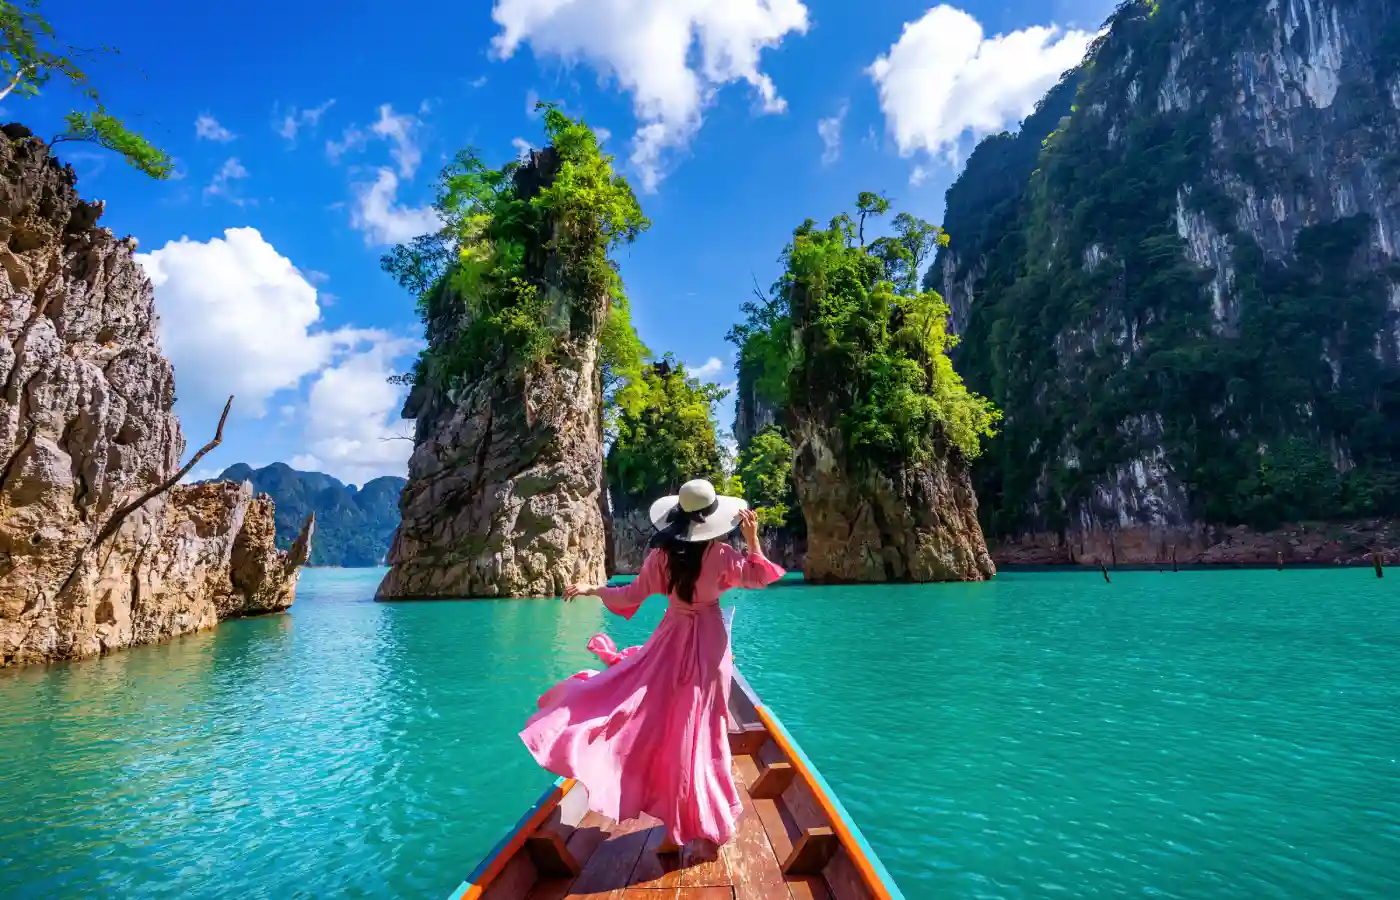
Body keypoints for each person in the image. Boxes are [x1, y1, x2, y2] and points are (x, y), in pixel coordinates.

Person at [518, 478, 786, 858]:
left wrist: (594, 589)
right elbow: (759, 578)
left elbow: (630, 595)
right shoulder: (724, 555)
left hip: (671, 640)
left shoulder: (661, 558)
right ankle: (696, 824)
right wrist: (753, 537)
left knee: (664, 724)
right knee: (703, 732)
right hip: (709, 646)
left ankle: (671, 828)